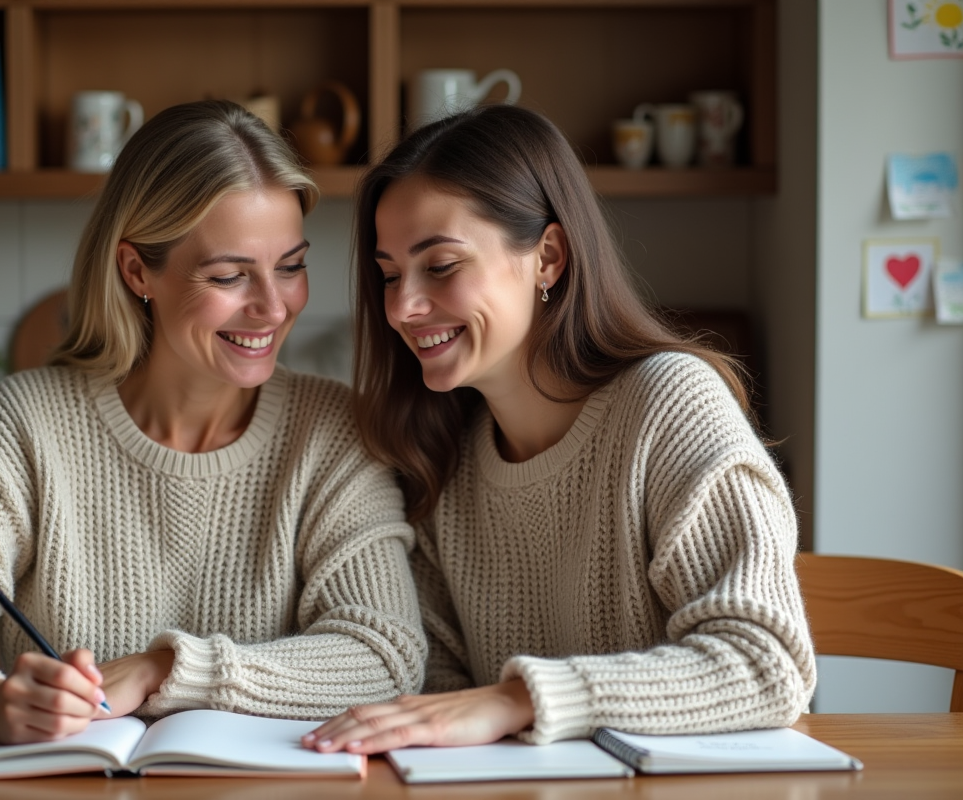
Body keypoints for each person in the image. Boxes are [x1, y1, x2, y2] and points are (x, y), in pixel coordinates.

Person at [0, 100, 425, 744]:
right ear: (137, 269)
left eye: (291, 267)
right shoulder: (25, 425)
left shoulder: (333, 432)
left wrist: (166, 669)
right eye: (229, 275)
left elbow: (387, 657)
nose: (273, 308)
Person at [305, 105, 814, 753]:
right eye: (388, 274)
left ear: (547, 257)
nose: (402, 306)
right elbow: (439, 693)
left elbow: (766, 665)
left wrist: (519, 699)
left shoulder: (669, 405)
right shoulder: (438, 454)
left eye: (440, 266)